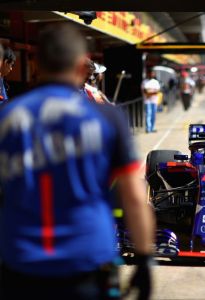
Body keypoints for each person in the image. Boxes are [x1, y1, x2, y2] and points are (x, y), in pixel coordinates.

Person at [0, 24, 155, 300]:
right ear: (82, 66)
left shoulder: (7, 116)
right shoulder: (108, 117)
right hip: (87, 258)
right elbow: (133, 195)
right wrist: (144, 260)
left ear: (36, 64)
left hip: (19, 260)